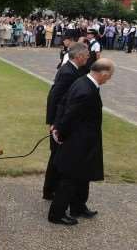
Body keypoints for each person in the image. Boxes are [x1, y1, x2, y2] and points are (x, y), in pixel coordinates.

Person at [49, 58, 114, 225]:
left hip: (85, 141)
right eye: (110, 75)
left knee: (83, 176)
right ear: (104, 73)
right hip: (78, 141)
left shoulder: (83, 82)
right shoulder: (86, 90)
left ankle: (78, 206)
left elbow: (64, 104)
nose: (110, 79)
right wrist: (60, 132)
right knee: (70, 178)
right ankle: (56, 214)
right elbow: (69, 114)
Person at [43, 42, 89, 200]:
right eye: (86, 55)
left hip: (62, 119)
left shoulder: (73, 70)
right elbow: (54, 96)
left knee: (57, 156)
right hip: (60, 121)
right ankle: (50, 190)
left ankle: (51, 189)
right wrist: (52, 122)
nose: (88, 58)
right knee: (57, 157)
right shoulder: (68, 72)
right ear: (79, 56)